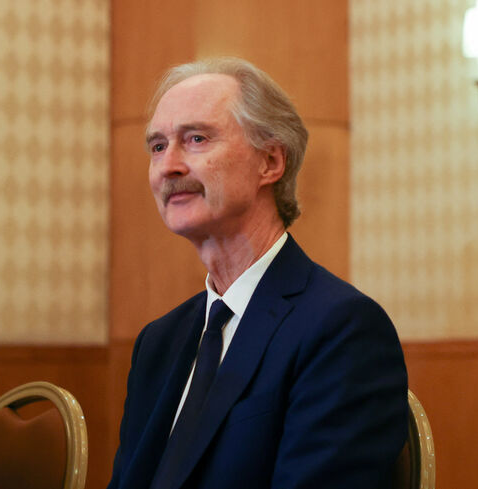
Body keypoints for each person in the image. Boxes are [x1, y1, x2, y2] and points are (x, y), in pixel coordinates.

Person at [107, 57, 408, 489]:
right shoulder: (158, 342)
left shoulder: (341, 330)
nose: (168, 166)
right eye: (157, 146)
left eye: (195, 139)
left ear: (270, 162)